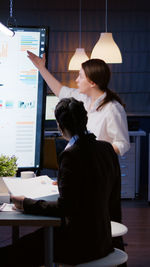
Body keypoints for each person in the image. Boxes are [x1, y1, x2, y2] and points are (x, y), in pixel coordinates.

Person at [0, 98, 122, 267]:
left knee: (13, 252)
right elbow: (109, 196)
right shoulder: (106, 148)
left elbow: (65, 208)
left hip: (79, 245)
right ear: (85, 120)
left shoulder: (71, 155)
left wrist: (25, 203)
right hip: (103, 240)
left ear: (59, 125)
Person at [27, 51, 130, 156]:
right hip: (80, 161)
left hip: (99, 166)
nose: (77, 80)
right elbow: (60, 90)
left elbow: (123, 144)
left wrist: (96, 151)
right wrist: (41, 68)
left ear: (92, 83)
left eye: (80, 76)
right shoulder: (83, 99)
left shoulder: (113, 108)